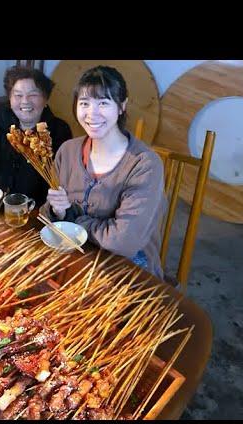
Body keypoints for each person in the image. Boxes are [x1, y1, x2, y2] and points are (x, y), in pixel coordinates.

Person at [40, 65, 167, 279]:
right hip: (77, 258)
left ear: (121, 107)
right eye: (84, 103)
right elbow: (47, 214)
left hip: (128, 269)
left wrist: (73, 220)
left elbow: (123, 242)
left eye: (103, 103)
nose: (92, 113)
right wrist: (59, 212)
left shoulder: (144, 164)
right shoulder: (68, 150)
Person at [0, 66, 72, 206]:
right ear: (10, 99)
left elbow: (67, 176)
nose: (25, 101)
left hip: (37, 210)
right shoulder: (0, 119)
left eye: (33, 94)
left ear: (46, 99)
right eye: (18, 95)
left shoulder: (59, 130)